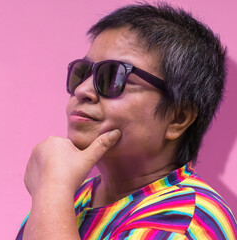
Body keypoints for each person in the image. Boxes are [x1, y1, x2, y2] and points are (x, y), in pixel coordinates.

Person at [16, 3, 237, 239]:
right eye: (82, 73)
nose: (82, 90)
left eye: (113, 76)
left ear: (178, 118)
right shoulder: (71, 199)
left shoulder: (183, 223)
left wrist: (51, 188)